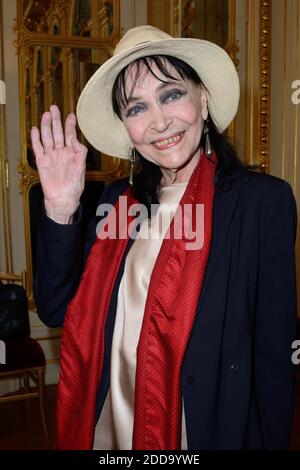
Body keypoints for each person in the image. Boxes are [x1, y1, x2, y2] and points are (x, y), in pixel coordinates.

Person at [31, 25, 297, 450]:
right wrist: (62, 210)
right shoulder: (117, 203)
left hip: (205, 432)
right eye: (137, 108)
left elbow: (273, 355)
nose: (158, 121)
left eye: (171, 94)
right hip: (109, 430)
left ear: (203, 99)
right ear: (126, 127)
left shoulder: (261, 203)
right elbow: (56, 308)